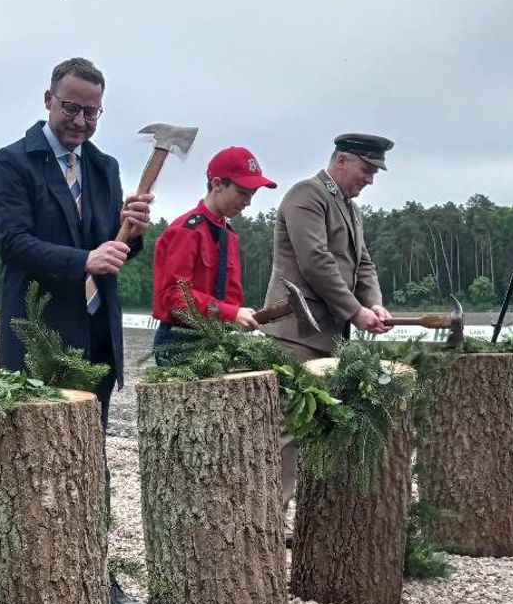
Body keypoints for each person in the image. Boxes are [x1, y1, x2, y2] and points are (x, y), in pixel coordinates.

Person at [0, 57, 152, 604]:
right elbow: (12, 244)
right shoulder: (13, 162)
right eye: (72, 108)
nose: (81, 121)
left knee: (91, 464)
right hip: (39, 336)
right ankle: (35, 582)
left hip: (96, 337)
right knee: (35, 464)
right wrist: (85, 256)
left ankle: (92, 572)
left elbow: (115, 252)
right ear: (48, 100)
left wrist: (133, 232)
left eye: (92, 111)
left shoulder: (104, 168)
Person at [261, 133, 394, 509]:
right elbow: (316, 261)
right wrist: (355, 311)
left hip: (327, 336)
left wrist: (376, 305)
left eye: (374, 172)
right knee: (287, 428)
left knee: (314, 428)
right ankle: (272, 516)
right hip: (296, 334)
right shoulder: (307, 195)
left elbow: (363, 264)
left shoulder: (351, 208)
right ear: (342, 161)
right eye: (366, 169)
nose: (370, 179)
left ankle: (301, 516)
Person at [151, 146, 277, 363]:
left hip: (217, 338)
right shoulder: (186, 231)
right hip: (180, 341)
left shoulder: (228, 234)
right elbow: (174, 297)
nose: (248, 202)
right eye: (242, 192)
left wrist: (238, 315)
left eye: (252, 194)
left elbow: (230, 296)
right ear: (217, 184)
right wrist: (230, 313)